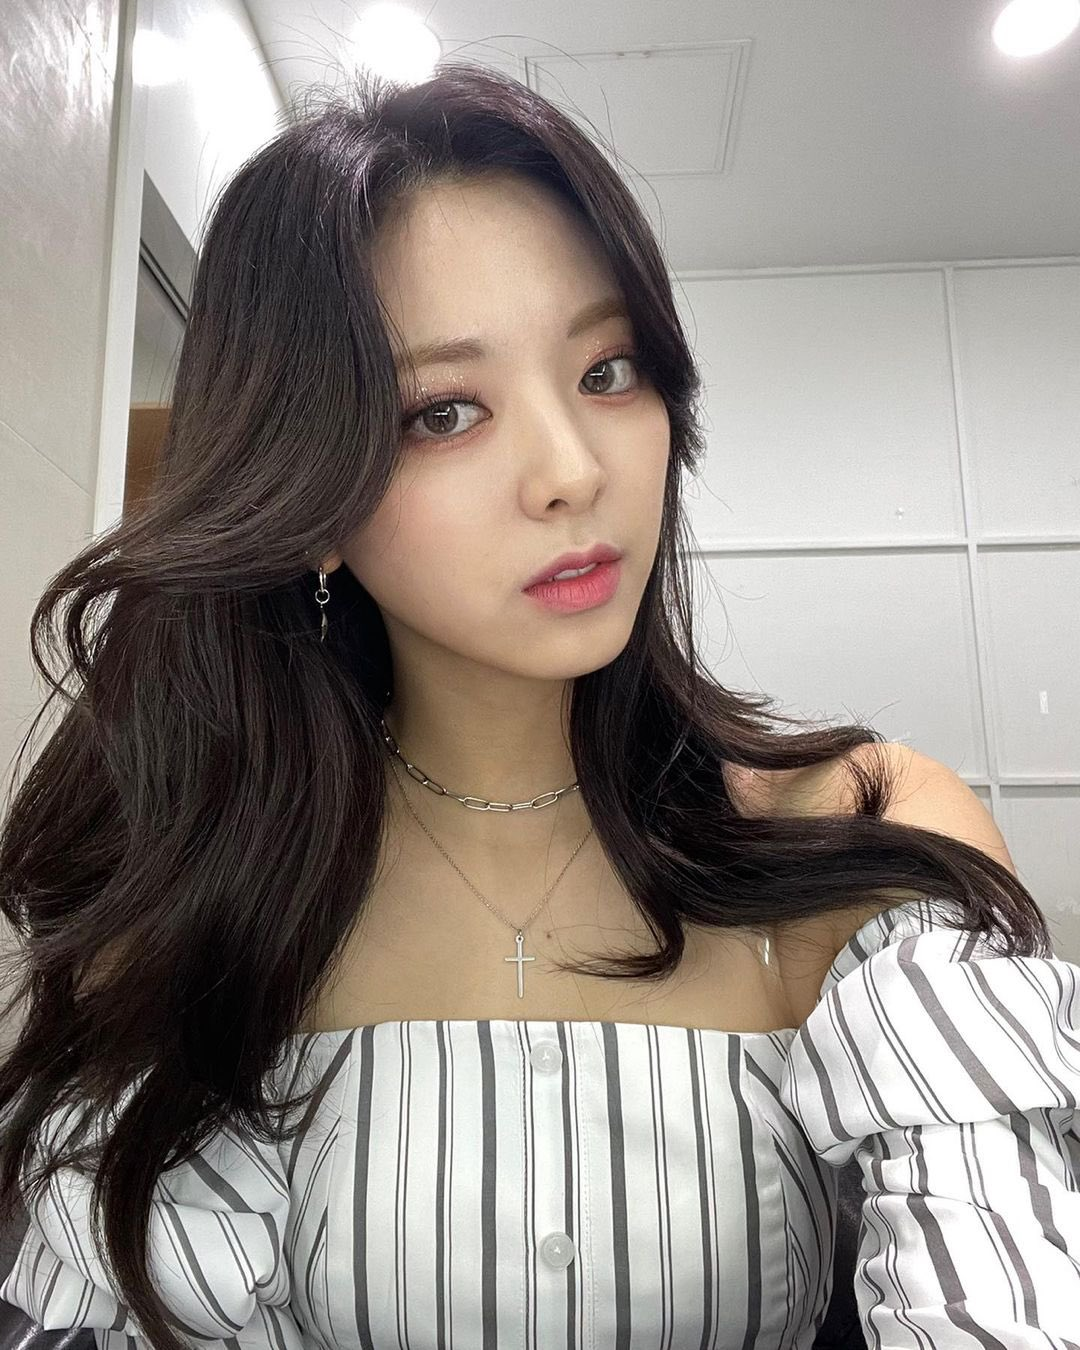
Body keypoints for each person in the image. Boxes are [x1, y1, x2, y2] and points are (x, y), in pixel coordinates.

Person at [1, 62, 1078, 1350]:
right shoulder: (202, 887)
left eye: (609, 371)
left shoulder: (848, 828)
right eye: (444, 412)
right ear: (305, 491)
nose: (573, 470)